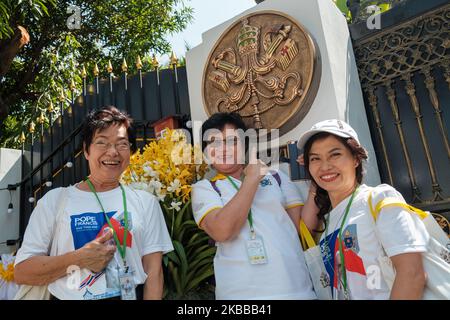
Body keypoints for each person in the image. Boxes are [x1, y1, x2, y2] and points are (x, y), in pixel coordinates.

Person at [14, 106, 174, 300]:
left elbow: (154, 272)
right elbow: (22, 271)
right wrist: (80, 258)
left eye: (122, 144)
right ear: (86, 151)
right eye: (102, 142)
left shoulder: (145, 202)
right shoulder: (55, 201)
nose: (113, 152)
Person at [191, 112, 319, 300]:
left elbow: (303, 227)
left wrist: (315, 181)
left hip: (296, 289)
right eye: (214, 142)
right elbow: (222, 231)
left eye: (231, 141)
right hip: (241, 296)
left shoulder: (276, 177)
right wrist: (251, 179)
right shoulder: (205, 188)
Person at [296, 119, 428, 299]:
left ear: (356, 159)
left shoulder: (379, 199)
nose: (325, 166)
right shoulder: (328, 224)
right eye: (315, 158)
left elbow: (412, 274)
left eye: (335, 154)